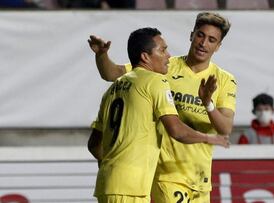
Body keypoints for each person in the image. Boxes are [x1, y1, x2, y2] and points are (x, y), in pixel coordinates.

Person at [88, 12, 236, 202]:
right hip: (166, 176)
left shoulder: (224, 80)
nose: (203, 43)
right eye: (200, 35)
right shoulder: (161, 68)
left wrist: (208, 103)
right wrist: (102, 55)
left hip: (200, 177)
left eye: (211, 40)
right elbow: (112, 73)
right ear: (192, 35)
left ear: (218, 46)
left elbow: (225, 128)